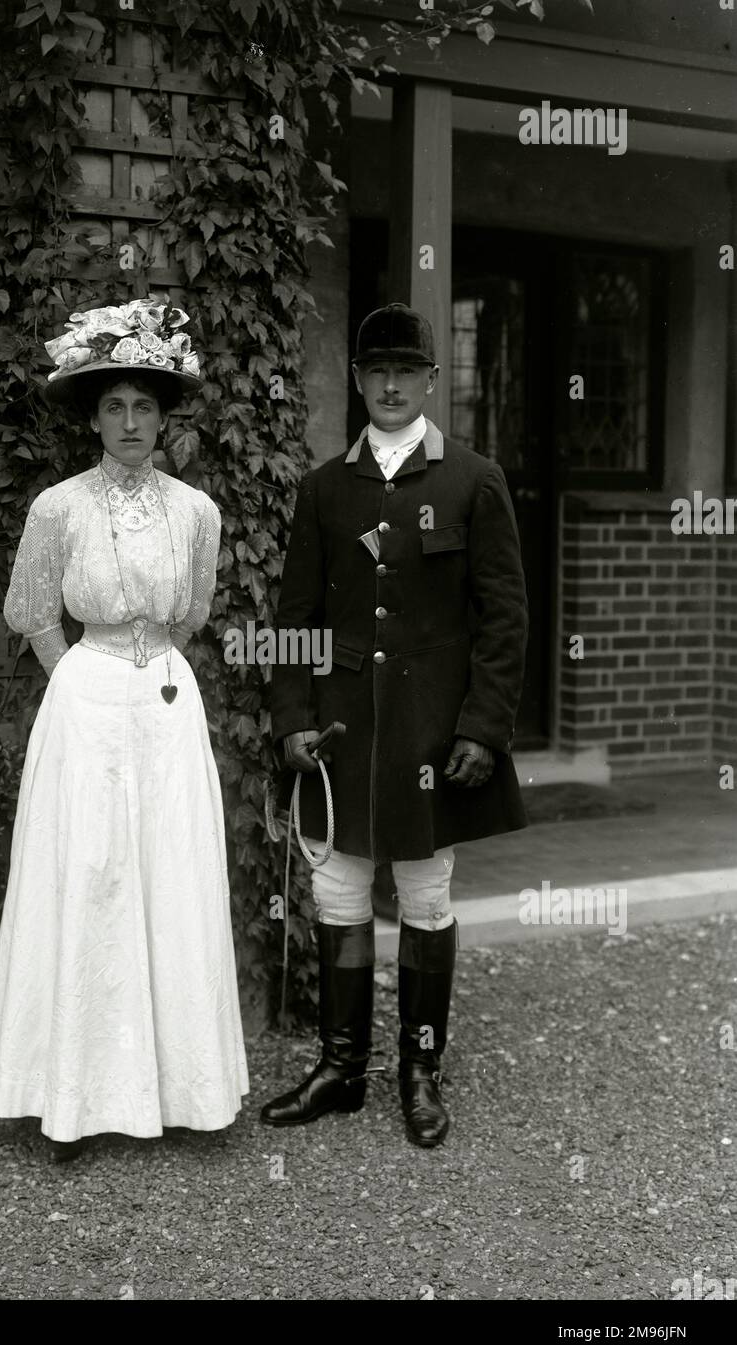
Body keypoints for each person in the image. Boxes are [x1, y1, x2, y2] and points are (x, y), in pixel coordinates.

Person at [0, 298, 249, 1160]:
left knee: (169, 874)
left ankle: (180, 1094)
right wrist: (85, 683)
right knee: (89, 877)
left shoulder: (196, 511)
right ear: (93, 419)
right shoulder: (58, 507)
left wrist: (145, 669)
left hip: (166, 699)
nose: (131, 423)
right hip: (86, 697)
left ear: (164, 417)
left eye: (144, 406)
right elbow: (29, 611)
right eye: (114, 407)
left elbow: (194, 611)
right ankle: (72, 1102)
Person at [262, 302, 528, 1148]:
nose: (387, 385)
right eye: (374, 371)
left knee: (423, 893)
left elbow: (504, 620)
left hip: (428, 735)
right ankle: (341, 1070)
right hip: (340, 731)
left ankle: (419, 1072)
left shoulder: (472, 480)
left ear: (428, 380)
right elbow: (294, 617)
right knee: (336, 893)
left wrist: (480, 731)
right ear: (355, 380)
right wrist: (291, 721)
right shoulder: (322, 488)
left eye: (404, 372)